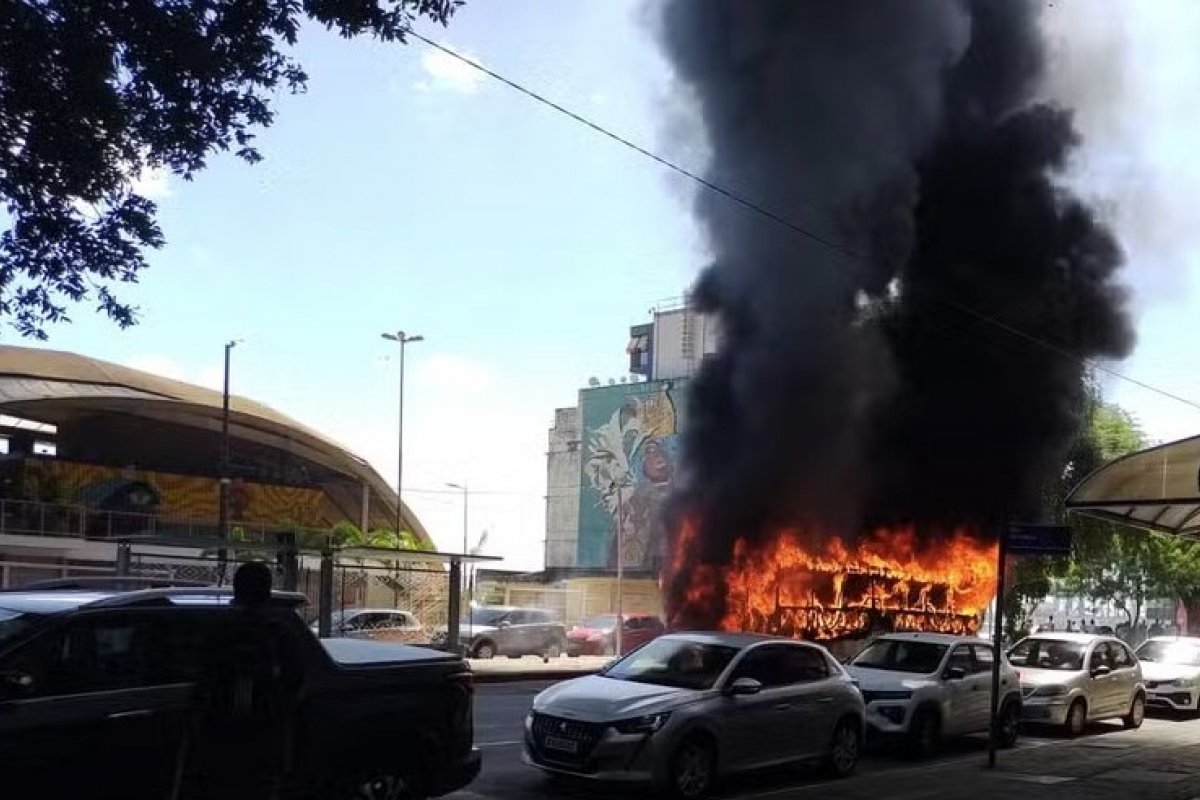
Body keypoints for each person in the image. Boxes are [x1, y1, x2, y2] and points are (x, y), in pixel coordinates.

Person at [175, 562, 300, 800]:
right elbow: (294, 682)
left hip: (221, 737)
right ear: (267, 593)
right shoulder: (277, 633)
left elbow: (199, 680)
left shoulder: (217, 630)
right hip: (263, 739)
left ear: (236, 589)